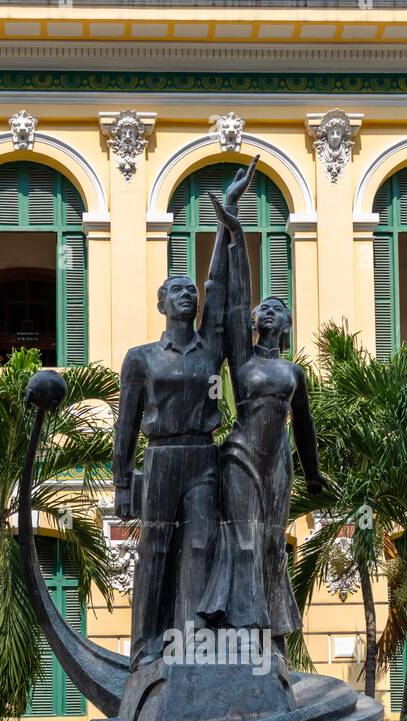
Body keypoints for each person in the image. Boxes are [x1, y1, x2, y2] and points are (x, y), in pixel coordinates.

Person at [112, 161, 259, 670]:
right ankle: (144, 644)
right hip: (160, 456)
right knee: (155, 547)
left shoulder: (208, 349)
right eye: (177, 289)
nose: (188, 293)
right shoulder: (141, 358)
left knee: (199, 540)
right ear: (160, 304)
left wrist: (228, 217)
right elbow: (125, 426)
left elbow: (218, 288)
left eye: (189, 290)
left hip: (202, 454)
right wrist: (121, 485)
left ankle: (192, 634)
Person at [198, 186, 324, 651]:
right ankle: (241, 630)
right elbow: (233, 299)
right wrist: (235, 231)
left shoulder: (292, 372)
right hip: (241, 455)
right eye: (262, 308)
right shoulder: (243, 361)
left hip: (278, 464)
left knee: (272, 542)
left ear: (286, 325)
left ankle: (272, 631)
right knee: (244, 539)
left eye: (277, 308)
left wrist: (313, 477)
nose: (266, 310)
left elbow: (305, 429)